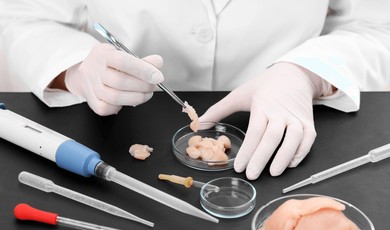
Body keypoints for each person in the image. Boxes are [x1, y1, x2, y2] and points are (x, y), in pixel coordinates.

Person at [1, 0, 390, 180]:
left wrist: (308, 73)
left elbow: (378, 27)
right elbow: (22, 17)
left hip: (296, 117)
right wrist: (76, 69)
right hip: (114, 123)